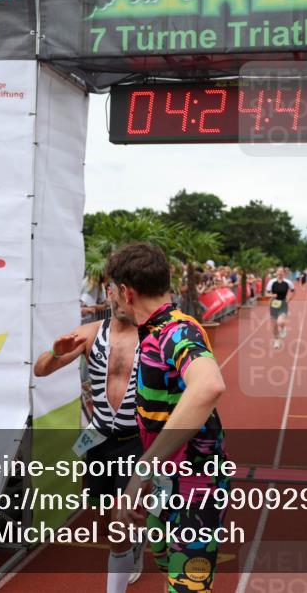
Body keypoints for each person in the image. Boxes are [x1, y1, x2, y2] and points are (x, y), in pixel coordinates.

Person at [107, 243, 229, 593]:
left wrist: (140, 471)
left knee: (187, 586)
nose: (111, 301)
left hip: (195, 491)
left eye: (112, 292)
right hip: (166, 485)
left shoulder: (176, 330)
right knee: (168, 572)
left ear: (126, 293)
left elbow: (208, 385)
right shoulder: (150, 331)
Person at [34, 288, 144, 592]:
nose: (125, 301)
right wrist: (56, 352)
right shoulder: (90, 333)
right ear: (110, 293)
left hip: (136, 441)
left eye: (131, 294)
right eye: (120, 293)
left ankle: (128, 557)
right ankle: (130, 542)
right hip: (99, 438)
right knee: (104, 514)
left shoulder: (153, 337)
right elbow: (41, 370)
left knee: (121, 523)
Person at [266, 267, 296, 349]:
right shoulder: (271, 282)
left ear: (284, 273)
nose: (279, 273)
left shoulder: (288, 282)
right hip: (273, 304)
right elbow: (267, 293)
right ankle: (276, 341)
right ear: (276, 273)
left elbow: (293, 291)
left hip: (283, 303)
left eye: (281, 271)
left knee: (280, 322)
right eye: (278, 271)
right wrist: (272, 295)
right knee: (274, 325)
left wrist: (289, 299)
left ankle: (283, 328)